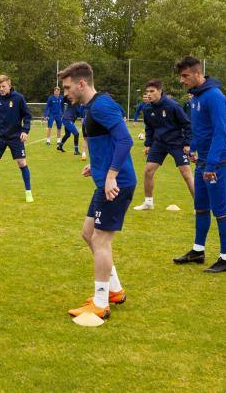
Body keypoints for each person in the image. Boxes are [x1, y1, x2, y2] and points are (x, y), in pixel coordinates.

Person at [58, 62, 135, 320]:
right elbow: (109, 141)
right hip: (105, 181)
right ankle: (114, 290)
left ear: (82, 83)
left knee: (101, 240)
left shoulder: (102, 105)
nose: (65, 92)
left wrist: (111, 175)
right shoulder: (91, 108)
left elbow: (126, 139)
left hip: (117, 184)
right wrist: (97, 164)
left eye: (67, 87)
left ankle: (101, 303)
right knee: (88, 233)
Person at [173, 56, 226, 273]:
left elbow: (220, 133)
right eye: (180, 76)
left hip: (218, 162)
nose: (182, 80)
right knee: (200, 207)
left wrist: (211, 165)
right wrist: (192, 147)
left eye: (185, 76)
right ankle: (198, 251)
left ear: (198, 73)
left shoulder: (214, 96)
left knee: (220, 210)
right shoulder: (195, 98)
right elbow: (201, 130)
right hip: (203, 161)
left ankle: (225, 259)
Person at [134, 79, 194, 211]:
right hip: (159, 143)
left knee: (186, 173)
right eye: (147, 91)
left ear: (160, 91)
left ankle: (199, 206)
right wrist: (148, 144)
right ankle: (148, 203)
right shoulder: (147, 108)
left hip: (176, 142)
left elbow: (187, 124)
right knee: (148, 171)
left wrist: (188, 143)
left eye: (152, 91)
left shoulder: (172, 105)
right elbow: (149, 128)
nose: (148, 94)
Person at [0, 74, 33, 202]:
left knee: (22, 163)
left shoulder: (18, 98)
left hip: (15, 136)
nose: (1, 89)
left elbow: (27, 116)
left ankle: (28, 193)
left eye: (3, 86)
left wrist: (25, 131)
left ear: (9, 85)